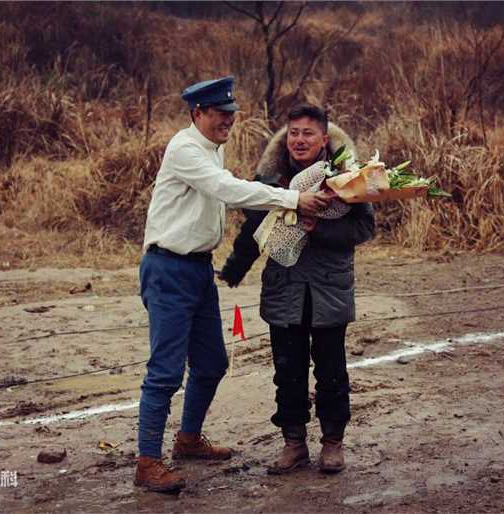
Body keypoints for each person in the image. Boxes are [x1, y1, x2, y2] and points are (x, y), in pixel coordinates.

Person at [135, 78, 331, 493]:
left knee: (211, 364)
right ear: (197, 114)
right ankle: (148, 461)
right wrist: (292, 199)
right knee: (165, 372)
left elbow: (227, 192)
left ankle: (188, 440)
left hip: (197, 270)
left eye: (231, 114)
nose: (228, 121)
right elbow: (227, 189)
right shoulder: (186, 148)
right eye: (220, 114)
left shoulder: (212, 147)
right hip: (168, 269)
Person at [219, 103, 375, 474]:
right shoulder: (271, 180)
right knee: (287, 373)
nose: (299, 140)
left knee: (332, 372)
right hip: (283, 291)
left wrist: (316, 228)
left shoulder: (348, 178)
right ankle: (294, 444)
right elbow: (252, 230)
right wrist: (233, 270)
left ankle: (333, 444)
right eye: (293, 133)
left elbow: (363, 230)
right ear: (285, 137)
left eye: (308, 133)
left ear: (324, 138)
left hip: (329, 291)